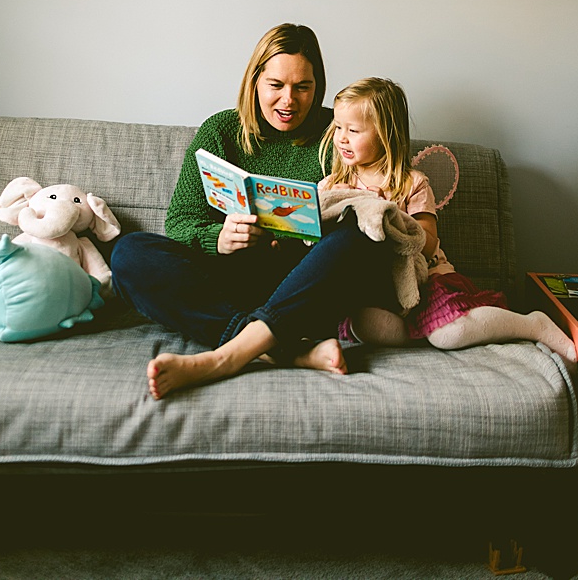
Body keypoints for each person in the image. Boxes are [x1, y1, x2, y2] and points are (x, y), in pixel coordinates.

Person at [110, 24, 396, 399]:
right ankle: (286, 350)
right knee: (130, 253)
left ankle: (225, 357)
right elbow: (179, 222)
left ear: (318, 85)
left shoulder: (339, 131)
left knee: (366, 230)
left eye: (303, 87)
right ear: (255, 81)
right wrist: (220, 239)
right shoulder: (221, 130)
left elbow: (376, 196)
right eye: (276, 85)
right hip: (230, 282)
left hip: (304, 284)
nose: (289, 101)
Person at [321, 76, 577, 362]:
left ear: (385, 134)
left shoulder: (411, 183)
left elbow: (427, 245)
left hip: (426, 281)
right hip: (378, 290)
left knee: (448, 336)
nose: (341, 137)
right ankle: (421, 329)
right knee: (360, 324)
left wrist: (388, 213)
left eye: (353, 130)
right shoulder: (334, 186)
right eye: (338, 127)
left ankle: (532, 324)